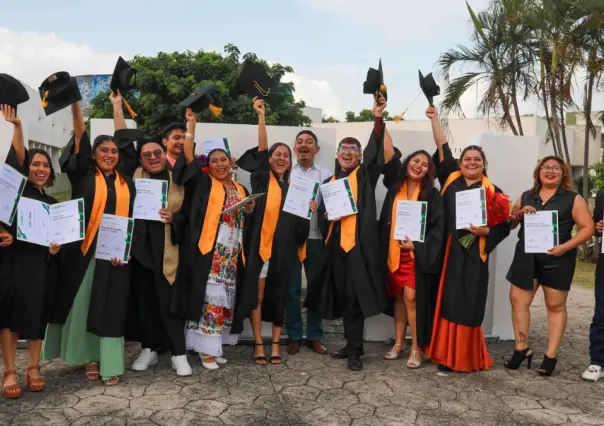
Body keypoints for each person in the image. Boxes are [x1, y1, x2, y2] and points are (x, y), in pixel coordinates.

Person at [42, 102, 136, 386]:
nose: (110, 155)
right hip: (83, 253)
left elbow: (124, 138)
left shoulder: (126, 182)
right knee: (84, 304)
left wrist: (117, 106)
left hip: (115, 255)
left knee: (111, 307)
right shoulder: (83, 174)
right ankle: (90, 359)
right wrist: (75, 107)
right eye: (103, 150)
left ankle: (110, 362)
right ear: (94, 155)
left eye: (113, 151)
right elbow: (80, 137)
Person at [306, 94, 396, 371]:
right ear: (336, 155)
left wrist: (377, 117)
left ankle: (356, 349)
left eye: (352, 150)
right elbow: (327, 220)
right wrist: (319, 211)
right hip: (336, 249)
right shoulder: (330, 182)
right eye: (343, 149)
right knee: (344, 297)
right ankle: (349, 343)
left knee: (356, 298)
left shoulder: (363, 175)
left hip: (359, 248)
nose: (347, 152)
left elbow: (374, 153)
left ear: (358, 156)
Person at [109, 91, 192, 376]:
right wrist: (117, 106)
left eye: (157, 153)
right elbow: (122, 138)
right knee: (145, 302)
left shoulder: (178, 178)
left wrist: (175, 216)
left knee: (170, 304)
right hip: (141, 251)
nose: (153, 157)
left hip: (169, 249)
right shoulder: (134, 175)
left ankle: (178, 353)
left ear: (164, 155)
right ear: (141, 159)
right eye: (147, 155)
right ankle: (150, 348)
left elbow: (192, 214)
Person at [426, 105, 511, 372]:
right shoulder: (450, 178)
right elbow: (442, 145)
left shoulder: (493, 191)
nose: (471, 163)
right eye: (467, 159)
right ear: (460, 163)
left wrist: (487, 232)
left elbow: (505, 225)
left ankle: (464, 357)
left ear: (484, 164)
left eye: (477, 160)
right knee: (448, 300)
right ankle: (445, 354)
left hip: (475, 252)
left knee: (469, 301)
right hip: (449, 250)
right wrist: (434, 118)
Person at [171, 108, 253, 370]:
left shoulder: (240, 187)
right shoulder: (205, 183)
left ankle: (214, 345)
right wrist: (191, 126)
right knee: (209, 299)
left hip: (231, 252)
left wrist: (248, 208)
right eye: (215, 160)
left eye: (224, 160)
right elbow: (187, 158)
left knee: (223, 299)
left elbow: (242, 218)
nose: (220, 164)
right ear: (209, 164)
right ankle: (205, 351)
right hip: (211, 250)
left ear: (232, 162)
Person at [233, 97, 312, 365]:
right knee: (257, 295)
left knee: (279, 296)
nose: (281, 158)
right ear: (270, 160)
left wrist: (308, 209)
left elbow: (301, 226)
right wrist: (261, 117)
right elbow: (263, 147)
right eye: (277, 155)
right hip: (260, 248)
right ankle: (258, 343)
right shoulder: (262, 179)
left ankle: (276, 344)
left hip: (283, 251)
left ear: (290, 162)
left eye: (285, 156)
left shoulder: (296, 188)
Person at [506, 156, 594, 376]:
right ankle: (521, 348)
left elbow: (587, 228)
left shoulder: (573, 199)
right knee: (518, 301)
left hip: (557, 258)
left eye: (556, 168)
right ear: (539, 171)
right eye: (546, 167)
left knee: (555, 306)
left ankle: (550, 356)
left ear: (563, 173)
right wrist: (517, 213)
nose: (551, 171)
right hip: (526, 256)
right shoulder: (527, 195)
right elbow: (511, 222)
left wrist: (565, 247)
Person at [0, 105, 61, 398]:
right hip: (14, 262)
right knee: (11, 315)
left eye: (45, 166)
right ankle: (10, 371)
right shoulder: (17, 191)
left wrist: (56, 245)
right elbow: (17, 158)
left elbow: (56, 238)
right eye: (36, 164)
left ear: (50, 173)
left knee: (37, 316)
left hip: (40, 264)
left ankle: (34, 367)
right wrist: (18, 126)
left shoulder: (51, 202)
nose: (40, 168)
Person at [378, 143, 444, 368]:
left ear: (429, 171)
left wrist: (416, 245)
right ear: (407, 164)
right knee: (398, 297)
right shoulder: (394, 189)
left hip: (415, 255)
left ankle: (417, 347)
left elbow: (437, 229)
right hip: (393, 252)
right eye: (416, 161)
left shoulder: (431, 195)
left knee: (411, 299)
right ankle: (398, 344)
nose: (419, 166)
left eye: (425, 165)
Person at [286, 130, 333, 356]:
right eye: (300, 142)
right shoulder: (286, 173)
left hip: (316, 239)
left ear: (316, 149)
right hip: (291, 241)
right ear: (295, 148)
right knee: (292, 290)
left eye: (309, 142)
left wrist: (321, 209)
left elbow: (334, 208)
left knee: (315, 289)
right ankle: (294, 335)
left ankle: (314, 336)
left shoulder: (327, 174)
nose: (304, 145)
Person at [585, 189, 604, 382]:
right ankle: (597, 361)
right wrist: (598, 227)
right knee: (601, 313)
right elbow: (596, 227)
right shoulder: (602, 194)